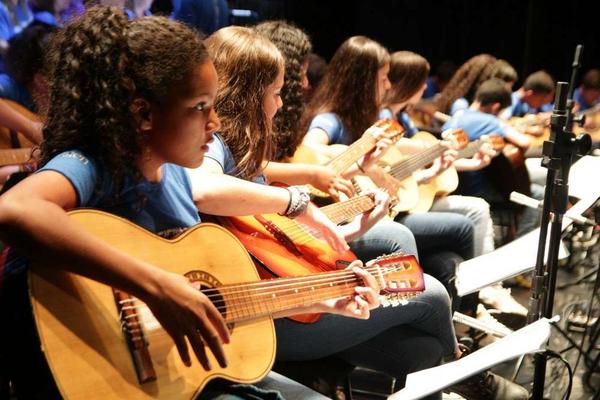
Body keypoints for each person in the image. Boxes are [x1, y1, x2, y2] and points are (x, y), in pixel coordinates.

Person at [0, 8, 382, 399]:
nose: (215, 123)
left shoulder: (177, 177)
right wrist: (156, 287)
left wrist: (321, 299)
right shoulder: (91, 165)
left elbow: (209, 302)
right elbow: (15, 210)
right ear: (144, 113)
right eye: (201, 106)